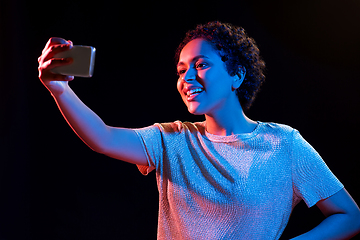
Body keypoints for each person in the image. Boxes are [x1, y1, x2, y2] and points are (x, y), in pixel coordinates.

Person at [38, 21, 360, 239]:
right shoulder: (172, 139)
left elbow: (349, 215)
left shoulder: (283, 143)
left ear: (236, 75)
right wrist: (60, 90)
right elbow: (102, 138)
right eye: (181, 70)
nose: (187, 78)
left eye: (201, 65)